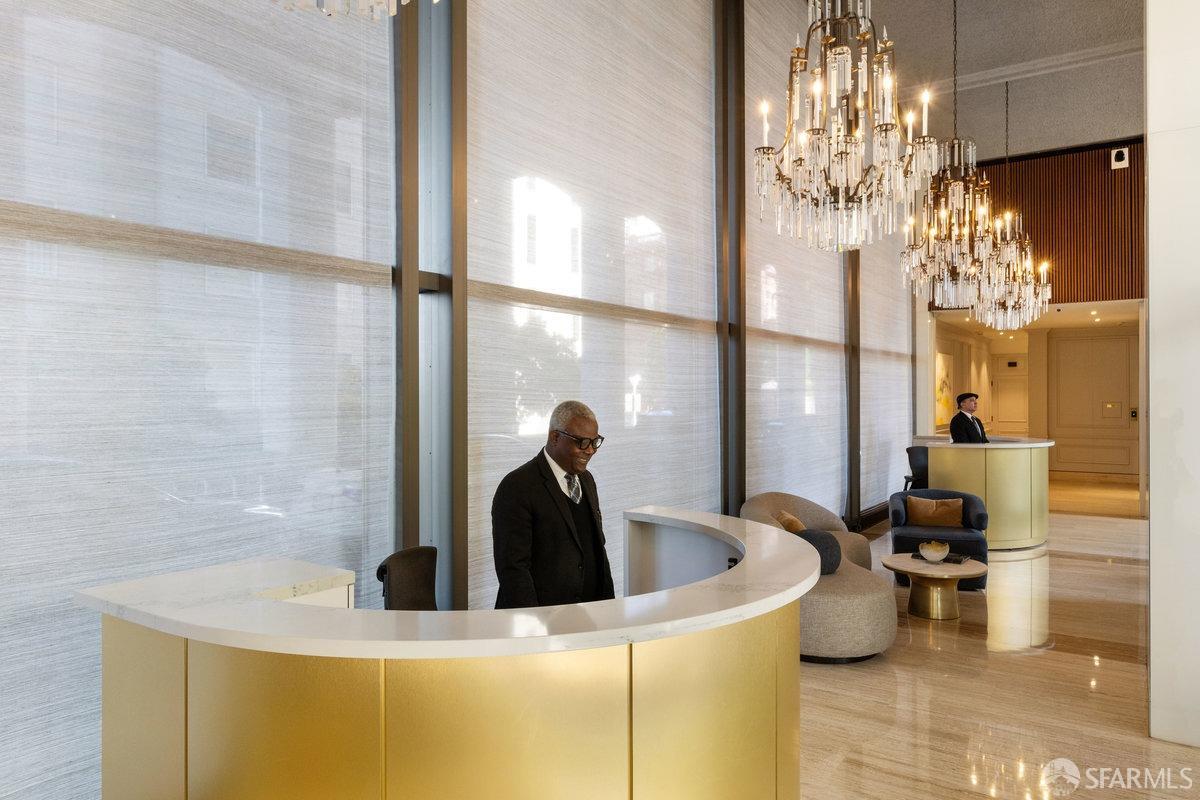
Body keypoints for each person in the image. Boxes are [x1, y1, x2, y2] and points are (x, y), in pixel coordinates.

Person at [492, 400, 615, 609]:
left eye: (595, 442)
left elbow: (597, 549)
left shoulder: (587, 480)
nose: (590, 450)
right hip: (543, 624)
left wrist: (609, 608)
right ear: (555, 437)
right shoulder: (517, 487)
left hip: (589, 617)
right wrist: (535, 628)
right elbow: (513, 569)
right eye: (582, 442)